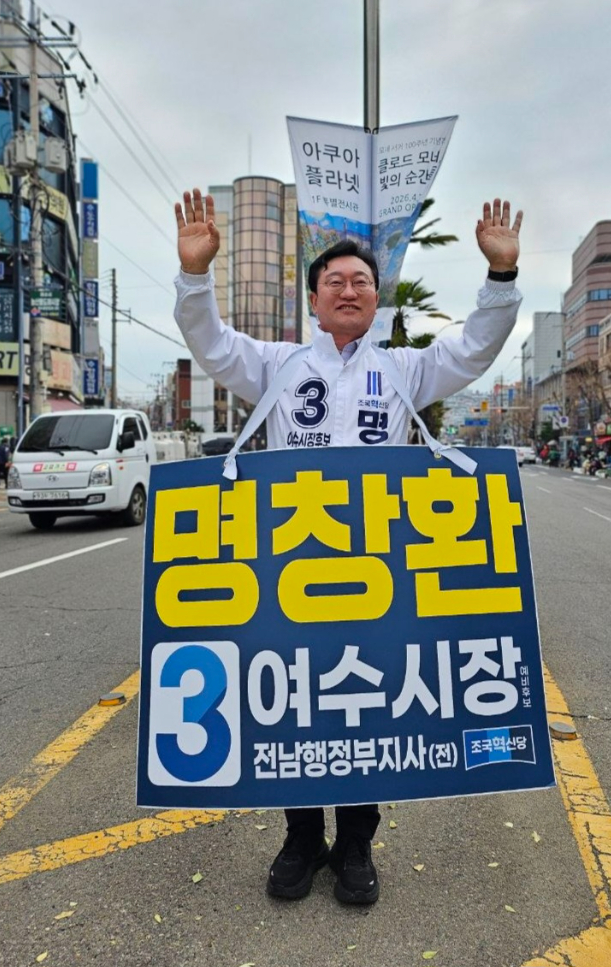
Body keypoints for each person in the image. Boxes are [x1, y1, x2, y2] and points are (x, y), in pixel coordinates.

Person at [173, 188, 523, 906]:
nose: (348, 287)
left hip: (375, 577)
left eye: (361, 280)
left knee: (364, 699)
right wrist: (195, 275)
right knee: (298, 698)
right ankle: (302, 836)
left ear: (376, 299)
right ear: (313, 299)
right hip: (286, 573)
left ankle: (356, 840)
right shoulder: (274, 364)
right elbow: (209, 342)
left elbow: (473, 348)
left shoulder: (403, 368)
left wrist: (501, 278)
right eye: (333, 279)